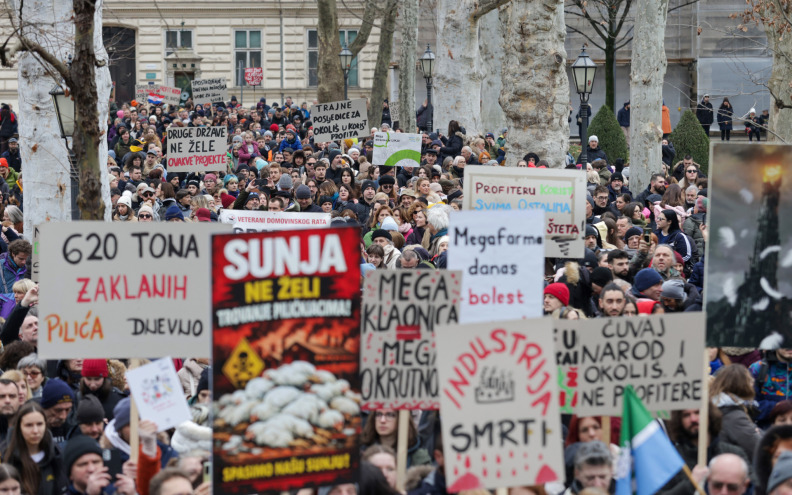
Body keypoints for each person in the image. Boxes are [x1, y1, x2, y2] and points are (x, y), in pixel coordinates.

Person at [660, 408, 748, 495]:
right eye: (686, 415)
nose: (693, 419)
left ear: (709, 415)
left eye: (698, 412)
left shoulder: (734, 453)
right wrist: (691, 484)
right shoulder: (671, 459)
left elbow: (752, 486)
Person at [4, 401, 67, 495]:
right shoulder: (8, 457)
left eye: (39, 424)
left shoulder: (56, 455)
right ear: (19, 428)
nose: (35, 431)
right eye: (29, 425)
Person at [709, 364, 761, 463]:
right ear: (741, 384)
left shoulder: (719, 408)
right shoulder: (733, 416)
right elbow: (758, 447)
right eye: (749, 380)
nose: (753, 382)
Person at [63, 435, 136, 495]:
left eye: (96, 462)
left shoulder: (117, 490)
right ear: (70, 474)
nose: (91, 469)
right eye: (82, 464)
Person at [361, 409, 431, 468]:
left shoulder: (418, 457)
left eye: (390, 415)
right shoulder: (362, 451)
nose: (382, 420)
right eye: (379, 414)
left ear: (401, 419)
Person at [40, 378, 76, 449]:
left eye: (67, 410)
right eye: (58, 410)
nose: (63, 416)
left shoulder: (73, 425)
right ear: (44, 408)